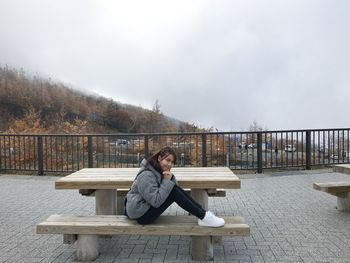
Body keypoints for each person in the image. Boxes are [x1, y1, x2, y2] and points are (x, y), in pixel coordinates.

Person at [125, 146, 225, 227]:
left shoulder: (158, 171)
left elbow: (174, 187)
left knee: (174, 190)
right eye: (167, 160)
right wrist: (166, 181)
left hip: (144, 208)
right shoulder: (147, 175)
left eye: (172, 162)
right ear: (159, 158)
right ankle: (204, 216)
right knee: (173, 191)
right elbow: (156, 201)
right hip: (140, 214)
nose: (170, 164)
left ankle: (203, 215)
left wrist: (169, 178)